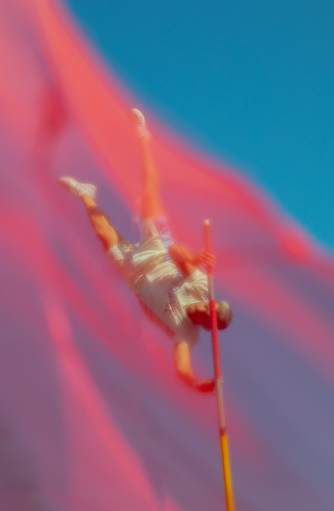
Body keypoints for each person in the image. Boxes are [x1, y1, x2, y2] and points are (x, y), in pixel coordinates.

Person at [59, 109, 232, 392]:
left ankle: (85, 194)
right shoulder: (202, 287)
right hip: (160, 250)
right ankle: (143, 135)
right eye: (209, 306)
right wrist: (193, 258)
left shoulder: (186, 334)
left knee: (104, 235)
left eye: (207, 313)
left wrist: (195, 384)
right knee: (150, 191)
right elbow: (176, 252)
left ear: (207, 323)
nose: (204, 307)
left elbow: (182, 368)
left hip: (137, 276)